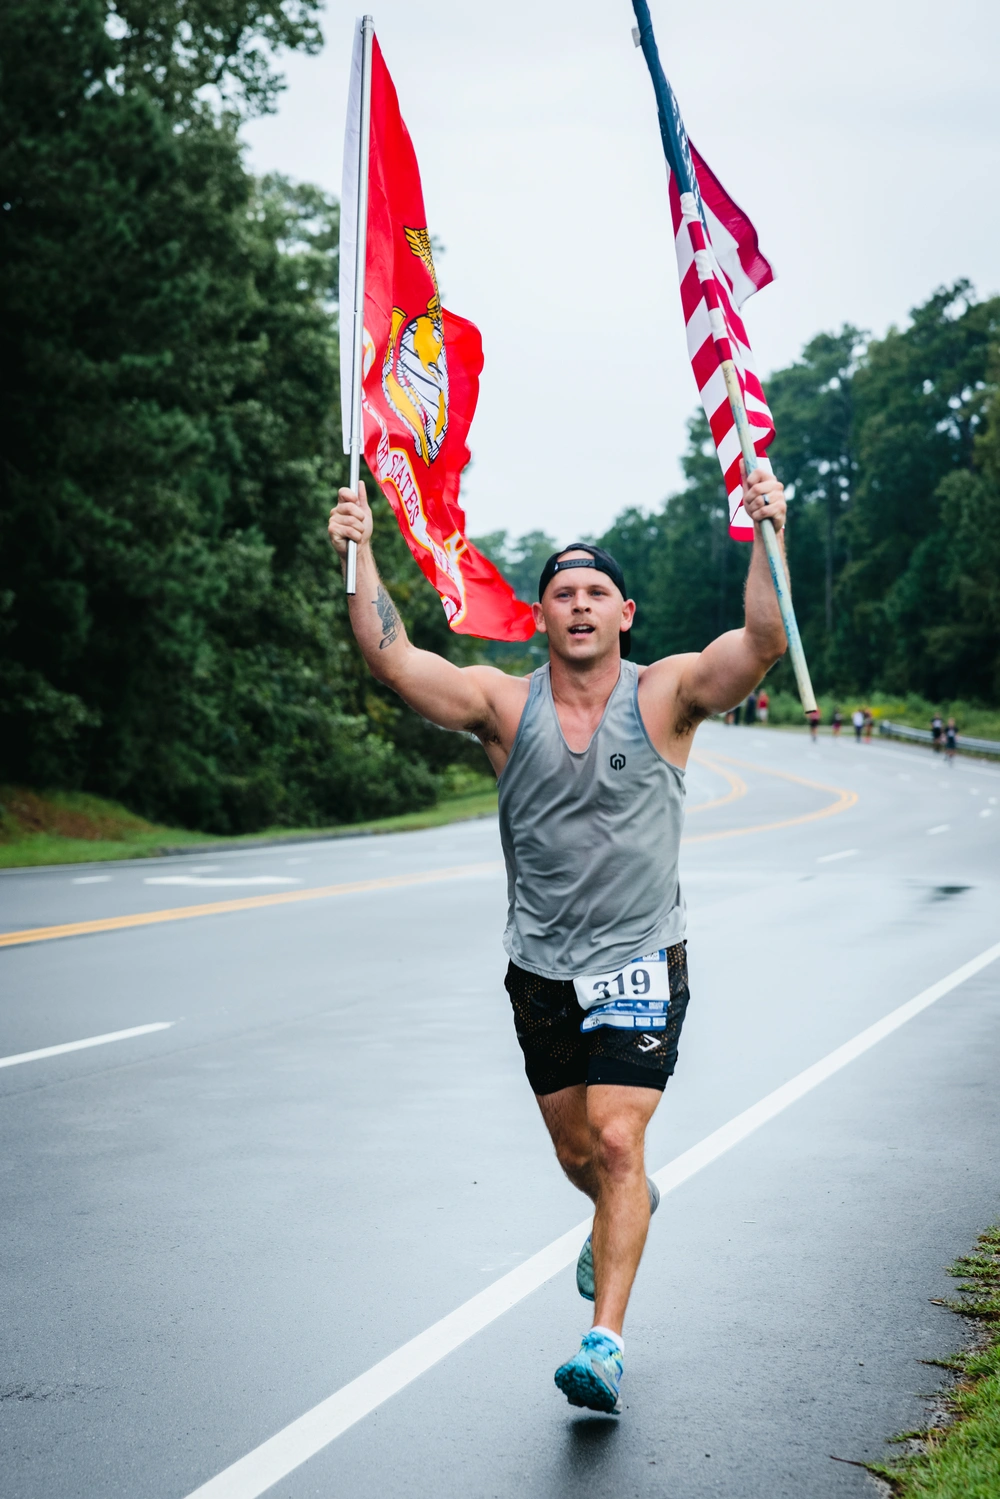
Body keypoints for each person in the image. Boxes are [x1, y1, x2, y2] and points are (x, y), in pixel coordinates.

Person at [327, 463, 789, 1416]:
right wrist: (361, 548)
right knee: (581, 1155)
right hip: (539, 967)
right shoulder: (504, 706)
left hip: (638, 958)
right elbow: (396, 659)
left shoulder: (667, 694)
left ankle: (605, 1342)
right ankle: (625, 1205)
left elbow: (761, 642)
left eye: (595, 594)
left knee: (620, 1140)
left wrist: (766, 533)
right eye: (561, 595)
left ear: (625, 612)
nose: (578, 606)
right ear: (540, 616)